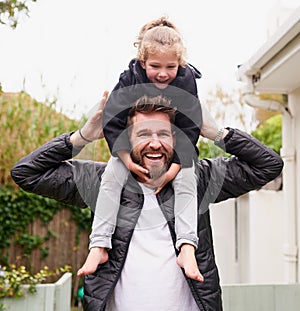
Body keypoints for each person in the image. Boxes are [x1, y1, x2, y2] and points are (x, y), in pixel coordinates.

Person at [11, 93, 283, 311]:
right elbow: (27, 173)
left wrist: (215, 132)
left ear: (175, 138)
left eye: (162, 134)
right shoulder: (102, 182)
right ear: (127, 140)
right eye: (143, 134)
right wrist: (81, 137)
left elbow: (268, 166)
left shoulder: (199, 179)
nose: (154, 143)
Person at [78, 16, 204, 281]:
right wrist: (125, 159)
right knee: (111, 179)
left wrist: (175, 169)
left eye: (170, 66)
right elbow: (112, 119)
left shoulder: (186, 79)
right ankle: (99, 244)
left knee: (187, 182)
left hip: (176, 149)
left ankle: (187, 246)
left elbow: (191, 126)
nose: (162, 73)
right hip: (132, 147)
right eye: (155, 66)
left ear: (180, 64)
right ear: (142, 62)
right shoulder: (129, 77)